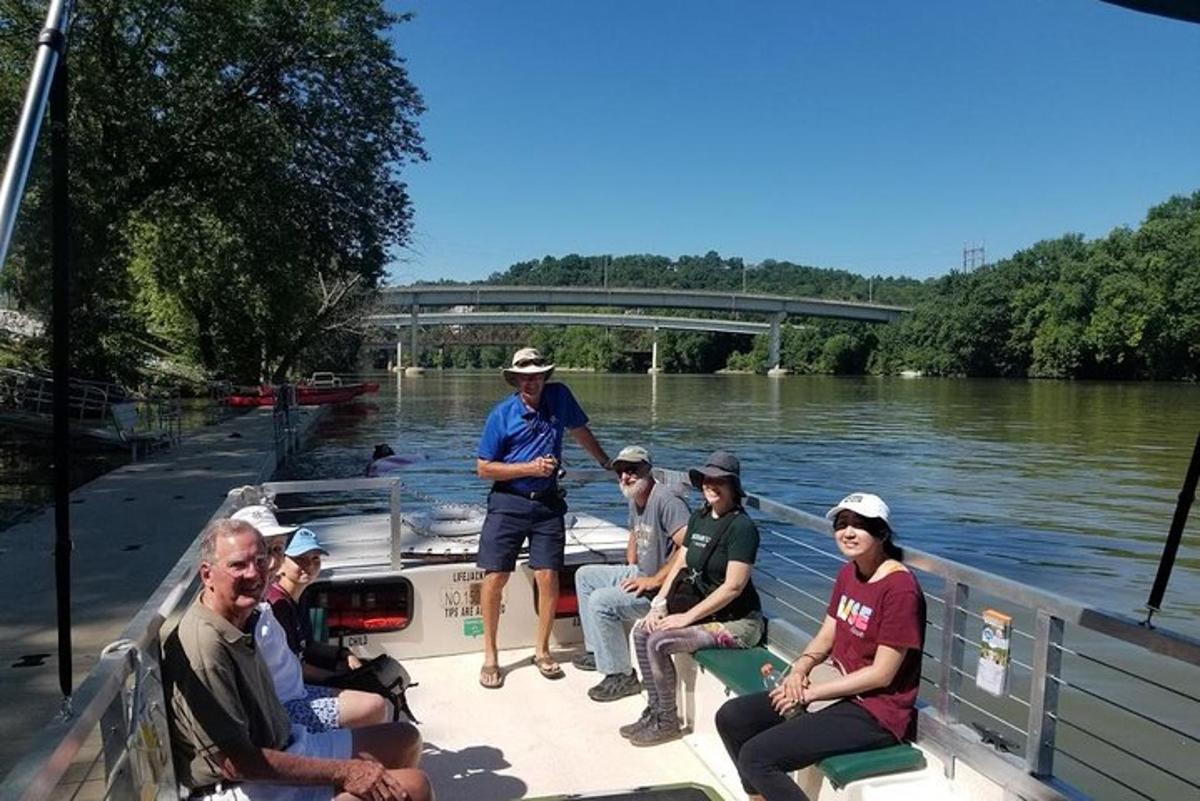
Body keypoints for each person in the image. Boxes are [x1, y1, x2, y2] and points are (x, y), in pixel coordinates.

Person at [164, 518, 431, 801]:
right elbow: (235, 763)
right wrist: (343, 772)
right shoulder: (206, 647)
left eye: (261, 560)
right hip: (243, 784)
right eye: (238, 565)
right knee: (414, 786)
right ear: (207, 575)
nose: (254, 574)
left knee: (404, 739)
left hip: (285, 744)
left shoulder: (244, 616)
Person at [714, 493, 925, 801]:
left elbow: (882, 674)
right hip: (836, 686)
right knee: (733, 718)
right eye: (842, 524)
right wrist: (799, 671)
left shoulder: (900, 589)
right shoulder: (849, 572)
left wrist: (810, 694)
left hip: (874, 711)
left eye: (859, 525)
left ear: (881, 532)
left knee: (758, 757)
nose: (848, 532)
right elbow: (828, 635)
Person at [475, 346, 612, 689]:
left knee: (549, 576)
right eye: (524, 375)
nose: (531, 381)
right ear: (515, 379)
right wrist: (530, 468)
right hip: (508, 502)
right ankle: (490, 655)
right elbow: (483, 468)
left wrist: (606, 463)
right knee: (495, 578)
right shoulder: (501, 414)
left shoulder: (560, 396)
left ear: (545, 377)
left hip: (548, 503)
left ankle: (542, 650)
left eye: (536, 374)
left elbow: (580, 431)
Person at [622, 450, 764, 747]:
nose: (711, 486)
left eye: (719, 481)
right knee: (642, 631)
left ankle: (668, 722)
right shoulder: (700, 517)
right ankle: (656, 709)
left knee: (659, 641)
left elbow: (734, 587)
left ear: (733, 486)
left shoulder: (742, 528)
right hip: (706, 613)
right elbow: (681, 562)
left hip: (738, 623)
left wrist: (686, 618)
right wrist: (659, 602)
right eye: (707, 479)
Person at [229, 506, 389, 733]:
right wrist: (337, 678)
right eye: (300, 559)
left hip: (294, 691)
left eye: (275, 550)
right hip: (284, 706)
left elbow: (304, 649)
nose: (309, 566)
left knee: (373, 693)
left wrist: (342, 655)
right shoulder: (275, 606)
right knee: (375, 703)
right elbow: (295, 663)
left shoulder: (282, 602)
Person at [572, 445, 690, 702]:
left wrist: (655, 580)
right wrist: (630, 565)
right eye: (621, 472)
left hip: (664, 591)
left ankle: (621, 676)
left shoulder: (667, 501)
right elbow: (636, 534)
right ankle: (598, 652)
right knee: (585, 576)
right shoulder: (635, 497)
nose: (625, 477)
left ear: (648, 470)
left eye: (632, 470)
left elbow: (687, 548)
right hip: (643, 572)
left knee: (602, 602)